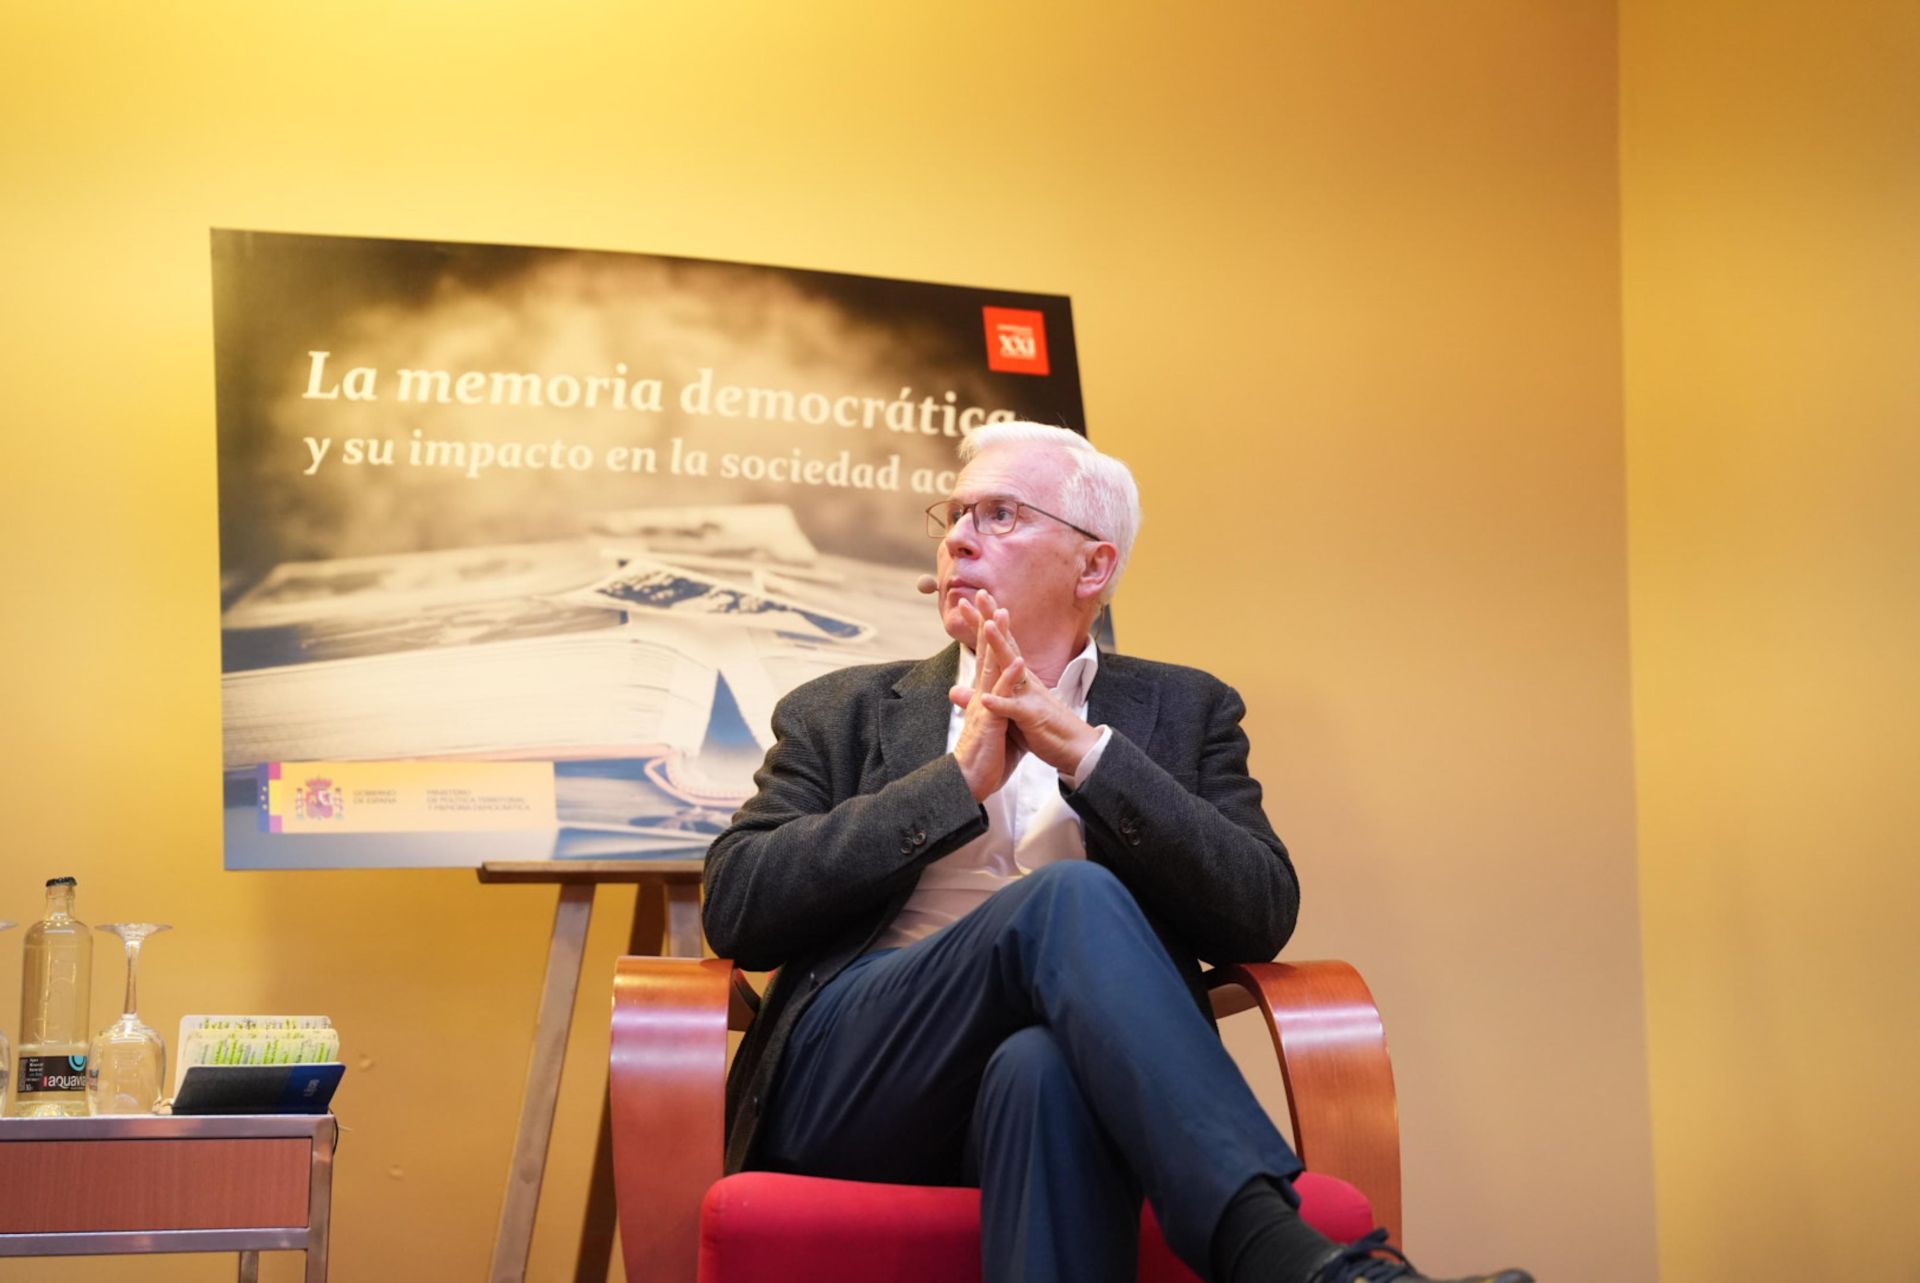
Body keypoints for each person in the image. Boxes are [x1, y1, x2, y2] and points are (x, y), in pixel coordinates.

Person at [703, 422, 1531, 1283]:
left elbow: (1259, 910)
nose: (956, 536)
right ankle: (1283, 1255)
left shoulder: (1186, 709)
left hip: (1065, 1085)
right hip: (863, 1077)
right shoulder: (840, 709)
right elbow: (738, 904)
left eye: (999, 513)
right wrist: (953, 783)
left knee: (1045, 1068)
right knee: (1070, 898)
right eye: (953, 514)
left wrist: (1090, 757)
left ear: (1093, 567)